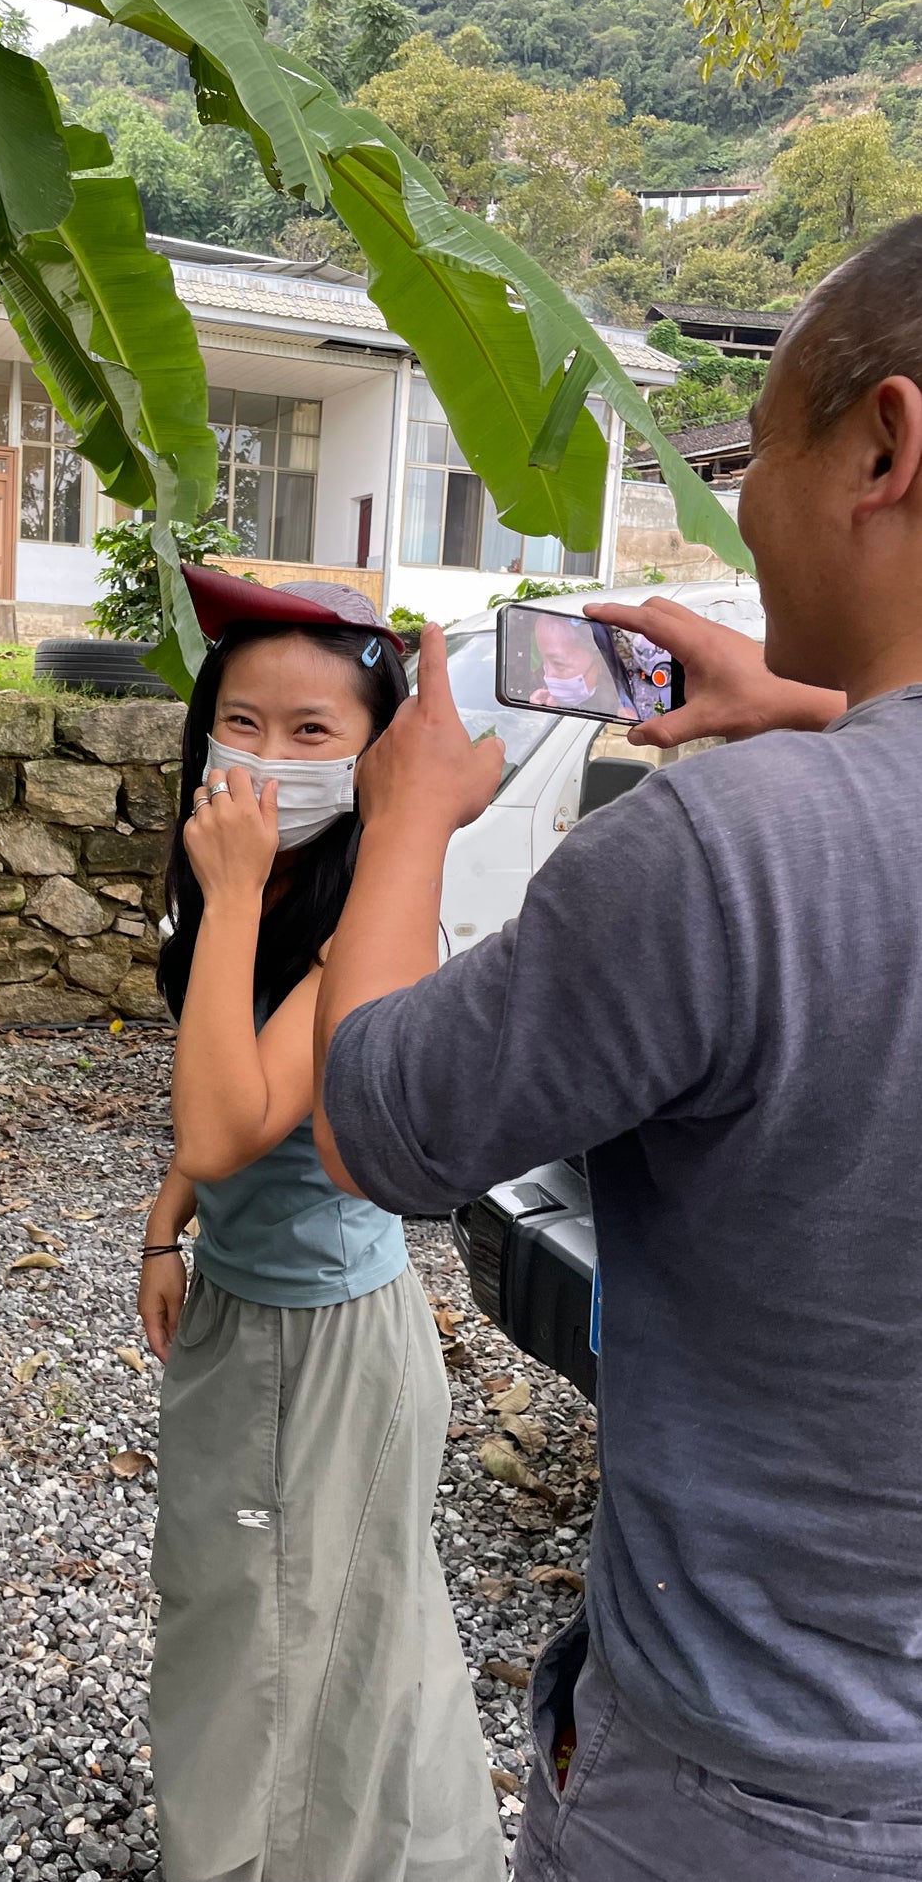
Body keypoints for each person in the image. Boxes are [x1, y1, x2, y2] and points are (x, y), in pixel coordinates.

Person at [312, 212, 922, 1881]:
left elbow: (378, 1118)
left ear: (884, 444)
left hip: (744, 1793)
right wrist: (820, 707)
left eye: (759, 448)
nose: (743, 510)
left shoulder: (723, 854)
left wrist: (404, 825)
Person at [139, 567, 503, 1882]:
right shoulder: (265, 881)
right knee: (296, 1625)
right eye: (243, 722)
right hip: (255, 1312)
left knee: (286, 1660)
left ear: (370, 754)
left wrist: (228, 894)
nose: (270, 758)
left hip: (318, 1344)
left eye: (313, 733)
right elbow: (210, 1095)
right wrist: (168, 1223)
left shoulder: (350, 913)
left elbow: (230, 1121)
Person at [528, 612, 638, 720]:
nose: (547, 676)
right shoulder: (543, 697)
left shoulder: (626, 706)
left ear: (599, 661)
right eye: (543, 662)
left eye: (558, 664)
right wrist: (541, 716)